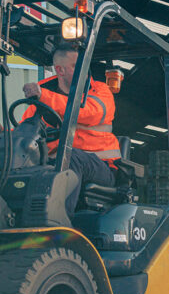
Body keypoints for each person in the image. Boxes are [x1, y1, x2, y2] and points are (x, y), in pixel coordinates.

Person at [21, 43, 121, 213]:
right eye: (76, 65)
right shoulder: (42, 96)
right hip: (55, 164)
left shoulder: (100, 91)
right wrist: (4, 135)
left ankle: (58, 221)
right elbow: (26, 131)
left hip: (101, 167)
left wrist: (43, 96)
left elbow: (86, 111)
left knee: (70, 156)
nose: (83, 69)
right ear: (60, 70)